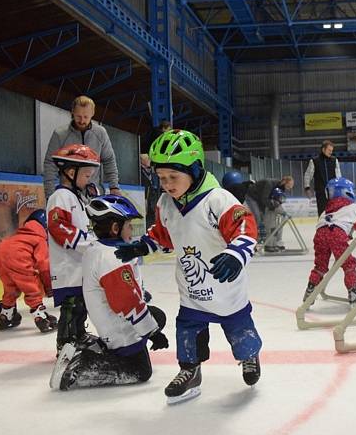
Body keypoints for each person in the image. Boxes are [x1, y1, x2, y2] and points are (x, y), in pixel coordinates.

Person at [114, 129, 262, 404]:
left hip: (226, 287)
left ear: (194, 170)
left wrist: (235, 254)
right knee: (188, 331)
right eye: (161, 178)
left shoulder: (218, 199)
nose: (167, 184)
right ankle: (190, 371)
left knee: (239, 331)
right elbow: (164, 234)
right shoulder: (165, 204)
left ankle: (249, 356)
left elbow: (246, 229)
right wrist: (142, 246)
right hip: (192, 290)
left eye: (173, 177)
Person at [50, 195, 169, 391]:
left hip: (108, 319)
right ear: (115, 228)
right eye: (129, 225)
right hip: (118, 329)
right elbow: (127, 301)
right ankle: (78, 368)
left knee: (157, 316)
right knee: (140, 370)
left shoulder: (97, 249)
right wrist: (152, 333)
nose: (132, 230)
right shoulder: (112, 258)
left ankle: (104, 350)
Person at [47, 144, 100, 351]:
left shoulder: (76, 197)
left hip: (79, 265)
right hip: (68, 266)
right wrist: (88, 244)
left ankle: (78, 334)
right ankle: (66, 342)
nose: (89, 179)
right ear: (71, 172)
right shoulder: (60, 197)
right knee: (72, 305)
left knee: (81, 303)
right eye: (86, 175)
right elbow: (58, 226)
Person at [303, 178, 356, 306]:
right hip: (336, 234)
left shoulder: (325, 211)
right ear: (347, 192)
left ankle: (310, 290)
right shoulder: (353, 208)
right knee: (348, 264)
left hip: (320, 233)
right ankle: (354, 293)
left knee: (320, 265)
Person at [0, 209, 57, 333]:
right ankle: (41, 317)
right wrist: (49, 287)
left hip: (0, 251)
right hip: (17, 256)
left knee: (10, 287)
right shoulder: (39, 239)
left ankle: (6, 316)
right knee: (31, 285)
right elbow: (44, 266)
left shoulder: (20, 236)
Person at [43, 95, 122, 198]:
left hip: (93, 194)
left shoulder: (100, 133)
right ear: (72, 112)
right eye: (78, 116)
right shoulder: (60, 134)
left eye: (86, 117)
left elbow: (109, 160)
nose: (82, 121)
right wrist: (50, 195)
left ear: (92, 114)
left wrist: (114, 187)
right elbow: (50, 164)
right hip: (68, 196)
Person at [249, 176, 294, 252]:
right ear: (284, 182)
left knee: (272, 224)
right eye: (288, 186)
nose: (289, 189)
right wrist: (273, 207)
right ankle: (252, 244)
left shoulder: (281, 188)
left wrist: (277, 206)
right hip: (252, 197)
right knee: (257, 218)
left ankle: (273, 243)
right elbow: (265, 199)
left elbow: (276, 200)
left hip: (261, 199)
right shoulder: (269, 184)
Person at [303, 140, 342, 216]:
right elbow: (308, 175)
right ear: (323, 149)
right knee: (322, 214)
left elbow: (339, 176)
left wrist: (339, 188)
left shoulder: (334, 160)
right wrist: (307, 188)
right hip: (321, 193)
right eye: (329, 150)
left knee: (334, 213)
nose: (331, 152)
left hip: (333, 192)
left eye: (332, 150)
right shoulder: (314, 161)